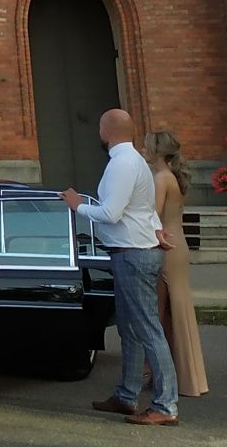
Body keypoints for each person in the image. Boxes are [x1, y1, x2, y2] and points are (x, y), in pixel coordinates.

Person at [63, 108, 178, 425]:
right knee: (130, 328)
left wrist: (78, 206)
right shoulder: (134, 162)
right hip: (135, 249)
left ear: (107, 131)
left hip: (133, 254)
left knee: (147, 328)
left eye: (100, 126)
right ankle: (127, 396)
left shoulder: (122, 164)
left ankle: (166, 406)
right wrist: (156, 229)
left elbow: (112, 213)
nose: (98, 132)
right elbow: (142, 208)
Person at [147, 128, 208, 398]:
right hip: (177, 243)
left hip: (167, 246)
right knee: (176, 310)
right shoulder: (172, 177)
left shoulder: (161, 178)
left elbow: (152, 215)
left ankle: (166, 375)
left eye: (147, 145)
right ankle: (184, 375)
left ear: (156, 151)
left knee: (161, 311)